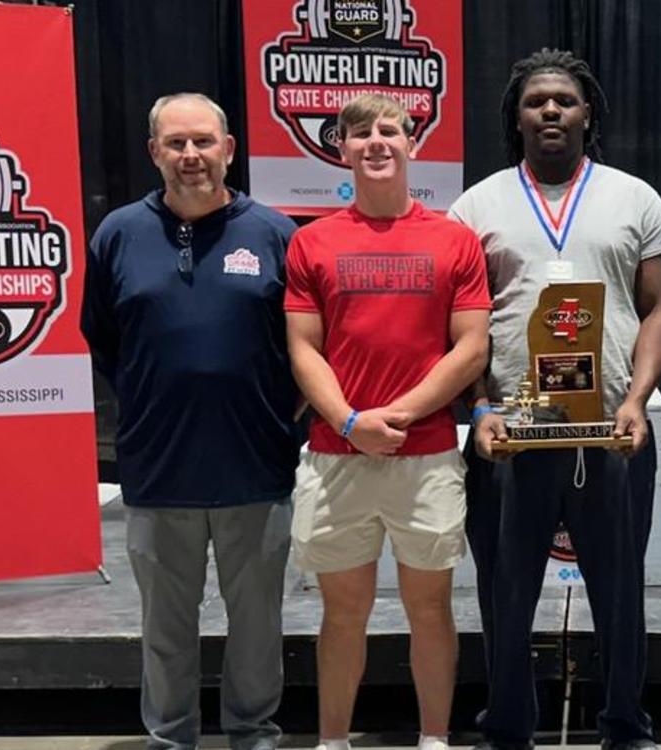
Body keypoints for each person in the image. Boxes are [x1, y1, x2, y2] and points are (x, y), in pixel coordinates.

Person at [451, 48, 661, 750]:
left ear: (589, 114)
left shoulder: (635, 198)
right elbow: (460, 324)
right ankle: (508, 724)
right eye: (535, 101)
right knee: (504, 590)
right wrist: (480, 408)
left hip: (610, 431)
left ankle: (625, 724)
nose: (550, 109)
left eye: (565, 100)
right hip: (510, 433)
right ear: (516, 117)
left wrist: (638, 399)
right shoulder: (475, 206)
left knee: (620, 590)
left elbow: (660, 307)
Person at [80, 93, 302, 750]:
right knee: (165, 628)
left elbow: (304, 349)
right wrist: (156, 399)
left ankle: (253, 735)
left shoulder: (275, 234)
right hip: (159, 469)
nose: (190, 155)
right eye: (175, 143)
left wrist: (274, 415)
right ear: (154, 152)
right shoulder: (118, 234)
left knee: (257, 626)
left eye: (203, 141)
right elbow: (105, 338)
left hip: (254, 468)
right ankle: (171, 738)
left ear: (228, 149)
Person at [284, 93, 492, 750]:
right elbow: (303, 349)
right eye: (360, 133)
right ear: (341, 149)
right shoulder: (311, 241)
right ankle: (332, 742)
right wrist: (351, 423)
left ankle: (435, 740)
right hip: (336, 456)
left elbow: (471, 348)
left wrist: (395, 416)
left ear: (412, 144)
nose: (376, 141)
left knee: (429, 610)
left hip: (425, 456)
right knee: (343, 614)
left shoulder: (454, 240)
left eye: (389, 130)